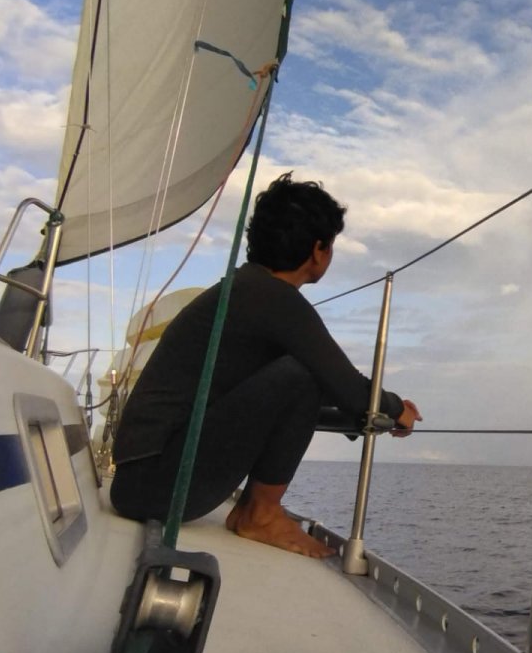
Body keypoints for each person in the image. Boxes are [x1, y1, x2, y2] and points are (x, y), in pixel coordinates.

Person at [111, 173, 420, 558]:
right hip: (154, 488)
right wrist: (396, 410)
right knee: (301, 373)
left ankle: (256, 510)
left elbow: (295, 403)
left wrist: (367, 414)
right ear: (318, 250)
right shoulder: (273, 299)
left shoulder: (246, 289)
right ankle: (259, 513)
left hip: (143, 482)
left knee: (300, 376)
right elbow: (349, 388)